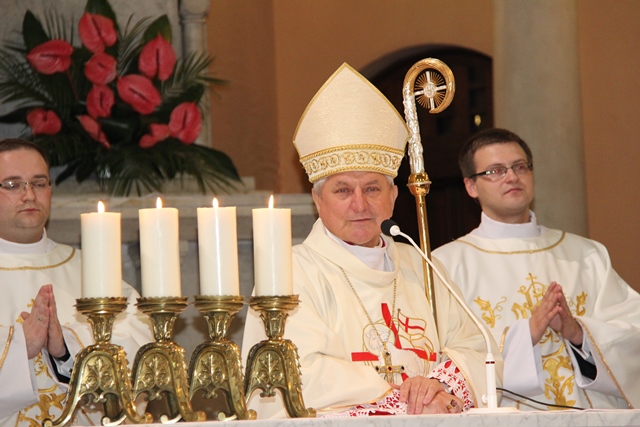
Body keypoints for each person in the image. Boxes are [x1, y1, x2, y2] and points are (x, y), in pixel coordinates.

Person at [241, 63, 501, 419]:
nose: (360, 204)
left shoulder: (421, 265)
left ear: (393, 196)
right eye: (343, 190)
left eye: (373, 188)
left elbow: (478, 349)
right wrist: (401, 398)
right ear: (317, 200)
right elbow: (298, 373)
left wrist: (437, 385)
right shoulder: (288, 274)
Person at [433, 127, 640, 410]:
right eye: (495, 171)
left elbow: (633, 335)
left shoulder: (587, 256)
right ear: (470, 186)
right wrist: (525, 335)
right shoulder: (446, 265)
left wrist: (580, 334)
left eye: (520, 167)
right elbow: (445, 357)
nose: (512, 177)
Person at [0, 138, 153, 425]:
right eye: (12, 184)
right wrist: (20, 346)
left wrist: (65, 349)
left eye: (39, 183)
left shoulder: (92, 270)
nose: (29, 195)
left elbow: (143, 352)